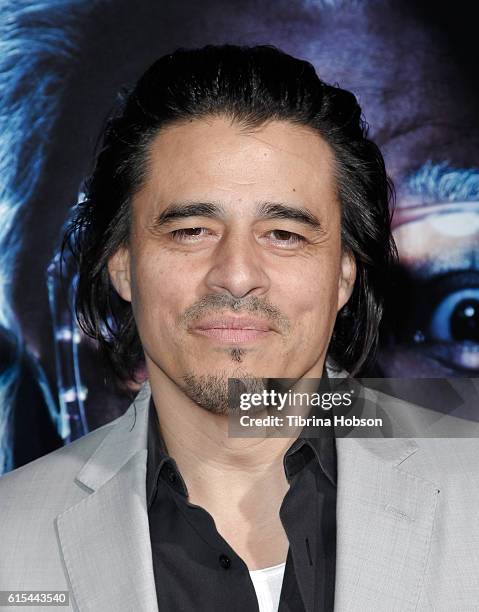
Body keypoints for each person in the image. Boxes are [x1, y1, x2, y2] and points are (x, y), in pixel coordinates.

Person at [0, 44, 478, 612]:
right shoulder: (11, 539)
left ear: (344, 276)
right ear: (123, 264)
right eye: (191, 230)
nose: (236, 275)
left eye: (285, 234)